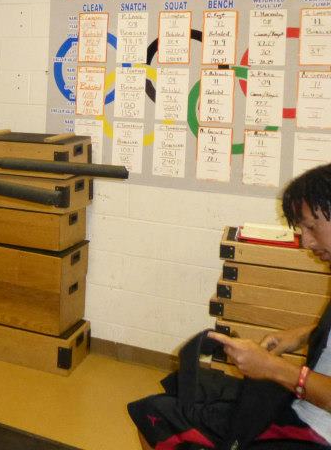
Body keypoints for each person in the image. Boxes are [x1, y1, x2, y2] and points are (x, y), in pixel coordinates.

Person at [129, 163, 331, 449]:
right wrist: (302, 335)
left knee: (165, 421)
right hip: (302, 409)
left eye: (311, 226)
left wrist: (273, 369)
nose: (306, 242)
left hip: (316, 433)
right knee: (158, 411)